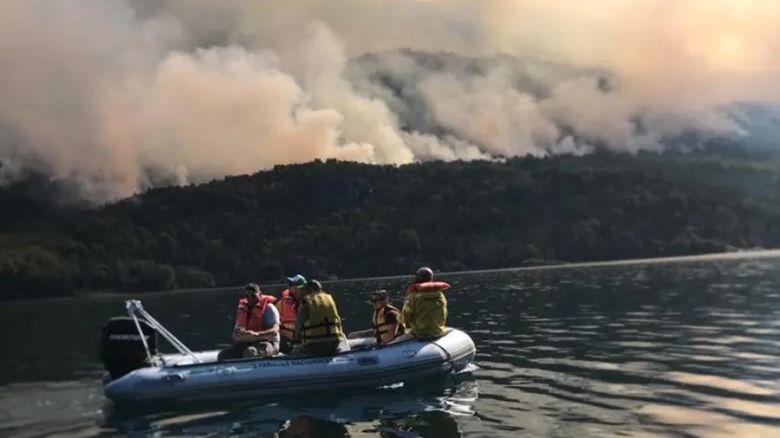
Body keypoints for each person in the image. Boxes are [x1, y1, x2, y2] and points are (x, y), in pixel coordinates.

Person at [217, 283, 280, 360]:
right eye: (247, 296)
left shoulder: (269, 309)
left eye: (253, 295)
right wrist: (241, 336)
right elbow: (235, 335)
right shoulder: (243, 310)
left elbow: (274, 332)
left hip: (268, 343)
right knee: (224, 354)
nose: (250, 298)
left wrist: (256, 335)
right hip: (247, 343)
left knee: (251, 352)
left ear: (260, 294)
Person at [291, 279, 350, 357]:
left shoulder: (307, 302)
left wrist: (295, 337)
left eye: (304, 290)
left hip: (314, 345)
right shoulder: (329, 300)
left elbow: (298, 327)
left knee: (293, 351)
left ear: (310, 290)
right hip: (334, 343)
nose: (303, 292)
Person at [398, 267, 450, 341]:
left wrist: (403, 327)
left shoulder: (413, 296)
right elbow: (444, 311)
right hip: (438, 331)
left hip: (419, 333)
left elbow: (405, 315)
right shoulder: (440, 294)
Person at [277, 274, 306, 354]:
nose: (289, 287)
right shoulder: (282, 303)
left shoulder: (309, 302)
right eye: (289, 285)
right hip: (287, 340)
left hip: (306, 340)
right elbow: (276, 322)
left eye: (291, 285)